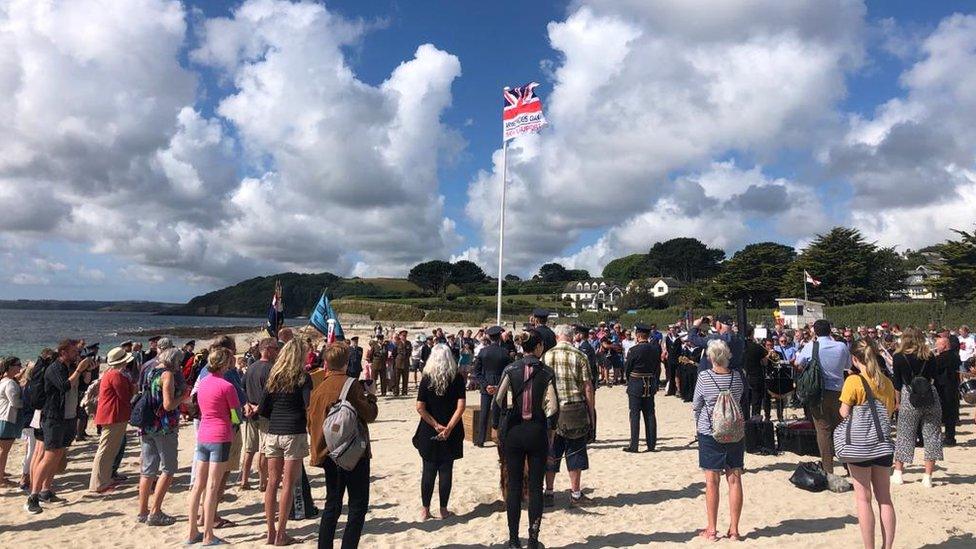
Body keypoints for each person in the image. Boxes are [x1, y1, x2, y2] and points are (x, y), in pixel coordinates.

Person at [308, 342, 378, 549]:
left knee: (332, 505)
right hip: (352, 452)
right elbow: (369, 414)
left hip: (328, 452)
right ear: (346, 362)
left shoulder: (318, 387)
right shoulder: (350, 384)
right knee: (357, 505)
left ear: (326, 363)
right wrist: (372, 396)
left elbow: (311, 421)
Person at [494, 329, 558, 549]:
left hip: (514, 431)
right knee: (535, 487)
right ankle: (532, 539)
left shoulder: (511, 369)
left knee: (513, 486)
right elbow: (553, 407)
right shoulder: (547, 372)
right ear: (538, 347)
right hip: (537, 431)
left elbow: (498, 400)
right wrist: (551, 430)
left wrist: (496, 426)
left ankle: (513, 540)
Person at [840, 340, 897, 549]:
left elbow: (844, 413)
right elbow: (890, 411)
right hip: (882, 443)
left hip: (860, 445)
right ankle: (887, 546)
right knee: (885, 498)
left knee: (863, 499)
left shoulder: (853, 381)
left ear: (855, 359)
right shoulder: (887, 383)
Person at [25, 339, 93, 514]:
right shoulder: (54, 368)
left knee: (57, 456)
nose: (76, 355)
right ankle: (33, 495)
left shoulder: (70, 367)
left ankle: (46, 491)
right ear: (63, 352)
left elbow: (79, 386)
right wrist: (79, 369)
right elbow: (64, 386)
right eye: (73, 352)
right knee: (48, 456)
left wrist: (86, 372)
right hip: (54, 417)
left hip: (68, 417)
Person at [260, 339, 312, 546]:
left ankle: (270, 532)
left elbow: (264, 408)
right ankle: (281, 533)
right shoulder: (302, 378)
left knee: (272, 482)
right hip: (294, 431)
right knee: (288, 484)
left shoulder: (274, 376)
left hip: (274, 431)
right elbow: (307, 405)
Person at [186, 347, 241, 545]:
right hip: (220, 435)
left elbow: (201, 406)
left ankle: (192, 530)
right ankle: (208, 534)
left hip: (204, 434)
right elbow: (236, 414)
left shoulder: (203, 383)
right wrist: (234, 420)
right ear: (224, 364)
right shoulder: (227, 386)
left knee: (198, 485)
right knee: (212, 486)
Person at [693, 340, 746, 542]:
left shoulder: (705, 377)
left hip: (710, 430)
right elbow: (740, 398)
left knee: (711, 480)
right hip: (734, 431)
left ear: (710, 357)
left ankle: (712, 528)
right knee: (734, 478)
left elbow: (697, 404)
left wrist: (697, 426)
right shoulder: (737, 377)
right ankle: (734, 529)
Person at [795, 319, 852, 492]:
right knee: (842, 429)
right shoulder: (841, 346)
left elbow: (798, 363)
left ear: (815, 332)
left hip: (818, 392)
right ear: (830, 331)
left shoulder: (811, 346)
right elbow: (847, 366)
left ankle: (828, 469)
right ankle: (850, 465)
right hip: (839, 392)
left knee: (823, 431)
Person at [543, 325, 594, 507]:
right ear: (572, 337)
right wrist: (591, 412)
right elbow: (588, 386)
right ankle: (575, 493)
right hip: (575, 408)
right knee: (575, 452)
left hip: (551, 410)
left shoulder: (546, 356)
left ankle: (549, 492)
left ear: (557, 336)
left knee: (552, 451)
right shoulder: (580, 355)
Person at [413, 344, 466, 520]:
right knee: (446, 469)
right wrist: (449, 427)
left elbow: (420, 408)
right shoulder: (457, 378)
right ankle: (443, 509)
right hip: (452, 429)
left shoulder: (426, 378)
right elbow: (461, 406)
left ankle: (425, 509)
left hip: (429, 429)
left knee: (428, 469)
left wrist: (436, 425)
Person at [891, 327, 942, 488]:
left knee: (905, 434)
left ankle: (898, 473)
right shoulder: (929, 355)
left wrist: (897, 402)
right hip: (929, 394)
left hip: (909, 394)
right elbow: (935, 377)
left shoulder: (898, 357)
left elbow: (897, 383)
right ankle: (928, 476)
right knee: (932, 435)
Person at [137, 347, 182, 526]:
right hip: (163, 425)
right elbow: (168, 405)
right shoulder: (167, 375)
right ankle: (155, 511)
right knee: (168, 468)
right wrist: (182, 398)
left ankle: (142, 511)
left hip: (147, 424)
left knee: (147, 470)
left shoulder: (150, 371)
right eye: (179, 362)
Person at [89, 347, 134, 493]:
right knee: (106, 449)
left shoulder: (110, 373)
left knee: (110, 449)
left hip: (112, 414)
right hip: (113, 415)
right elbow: (125, 396)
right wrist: (133, 388)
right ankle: (99, 483)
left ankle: (104, 480)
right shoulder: (116, 375)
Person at [241, 337, 278, 491]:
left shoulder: (251, 367)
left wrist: (247, 404)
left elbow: (241, 388)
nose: (277, 352)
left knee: (249, 449)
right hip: (264, 414)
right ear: (267, 349)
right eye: (275, 349)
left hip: (251, 413)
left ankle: (244, 479)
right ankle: (263, 481)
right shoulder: (270, 368)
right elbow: (270, 393)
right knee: (263, 449)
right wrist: (255, 406)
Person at [623, 323, 662, 453]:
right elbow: (657, 368)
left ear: (638, 335)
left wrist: (629, 380)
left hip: (636, 383)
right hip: (650, 382)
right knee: (650, 414)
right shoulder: (655, 349)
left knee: (634, 415)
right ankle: (651, 444)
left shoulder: (634, 350)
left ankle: (634, 445)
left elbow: (627, 369)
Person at [471, 326, 510, 447]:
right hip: (500, 383)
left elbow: (476, 372)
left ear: (489, 337)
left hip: (486, 383)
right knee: (502, 412)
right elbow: (509, 371)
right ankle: (502, 438)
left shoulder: (483, 352)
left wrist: (486, 384)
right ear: (499, 337)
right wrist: (499, 386)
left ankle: (480, 439)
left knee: (484, 413)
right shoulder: (504, 352)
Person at [0, 357, 24, 487]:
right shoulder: (9, 383)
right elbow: (15, 403)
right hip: (7, 418)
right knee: (4, 450)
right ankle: (0, 478)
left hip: (3, 417)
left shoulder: (3, 381)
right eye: (17, 365)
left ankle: (1, 473)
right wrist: (27, 403)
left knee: (3, 450)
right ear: (10, 367)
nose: (20, 367)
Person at [935, 335, 961, 446]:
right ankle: (950, 437)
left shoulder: (945, 357)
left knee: (947, 413)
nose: (936, 347)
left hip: (945, 389)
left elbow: (935, 367)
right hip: (952, 387)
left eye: (938, 345)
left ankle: (949, 438)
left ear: (944, 345)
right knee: (950, 413)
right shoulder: (954, 355)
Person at [741, 326, 766, 419]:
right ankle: (755, 420)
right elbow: (765, 362)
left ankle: (745, 420)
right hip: (756, 376)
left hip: (743, 376)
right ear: (752, 334)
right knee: (756, 401)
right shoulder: (757, 347)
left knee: (744, 400)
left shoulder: (739, 346)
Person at [664, 325, 683, 396]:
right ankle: (671, 391)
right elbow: (667, 348)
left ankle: (678, 390)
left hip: (678, 359)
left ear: (675, 330)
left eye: (673, 329)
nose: (672, 331)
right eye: (670, 329)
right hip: (670, 359)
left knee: (677, 375)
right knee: (670, 375)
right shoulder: (668, 338)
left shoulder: (679, 338)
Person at [394, 330, 412, 397]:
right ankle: (396, 392)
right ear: (400, 336)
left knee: (405, 378)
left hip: (406, 363)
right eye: (403, 335)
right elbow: (394, 353)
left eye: (405, 335)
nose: (404, 337)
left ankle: (404, 391)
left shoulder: (408, 343)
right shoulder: (397, 343)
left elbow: (409, 352)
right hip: (398, 363)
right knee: (397, 378)